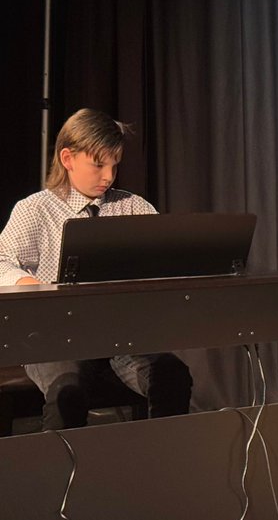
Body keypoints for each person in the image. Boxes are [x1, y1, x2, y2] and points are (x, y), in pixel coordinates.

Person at [0, 108, 192, 430]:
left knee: (172, 376)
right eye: (99, 165)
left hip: (122, 337)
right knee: (67, 393)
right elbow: (0, 261)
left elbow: (166, 257)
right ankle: (58, 477)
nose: (108, 176)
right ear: (67, 158)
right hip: (57, 338)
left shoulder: (132, 207)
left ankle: (160, 466)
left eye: (114, 166)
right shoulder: (35, 210)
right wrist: (27, 280)